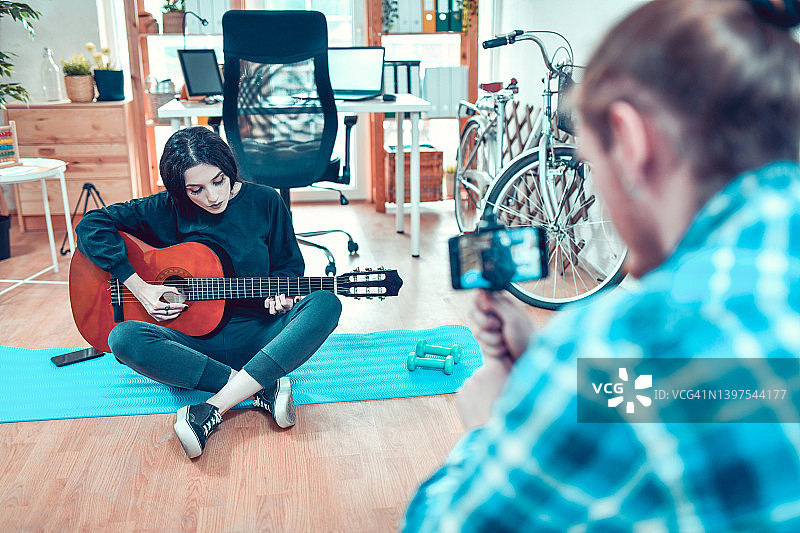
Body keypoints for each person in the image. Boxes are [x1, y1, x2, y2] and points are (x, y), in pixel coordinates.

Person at [403, 0, 800, 530]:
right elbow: (718, 391)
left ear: (632, 142)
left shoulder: (632, 338)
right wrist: (549, 359)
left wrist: (488, 426)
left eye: (590, 164)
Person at [75, 126, 342, 459]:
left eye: (218, 181)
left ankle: (213, 406)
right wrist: (140, 287)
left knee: (325, 302)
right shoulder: (167, 208)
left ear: (228, 169)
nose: (212, 197)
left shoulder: (265, 201)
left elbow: (288, 266)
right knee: (123, 339)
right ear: (179, 189)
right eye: (196, 189)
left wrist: (281, 292)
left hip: (260, 336)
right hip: (191, 345)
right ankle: (262, 386)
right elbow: (91, 226)